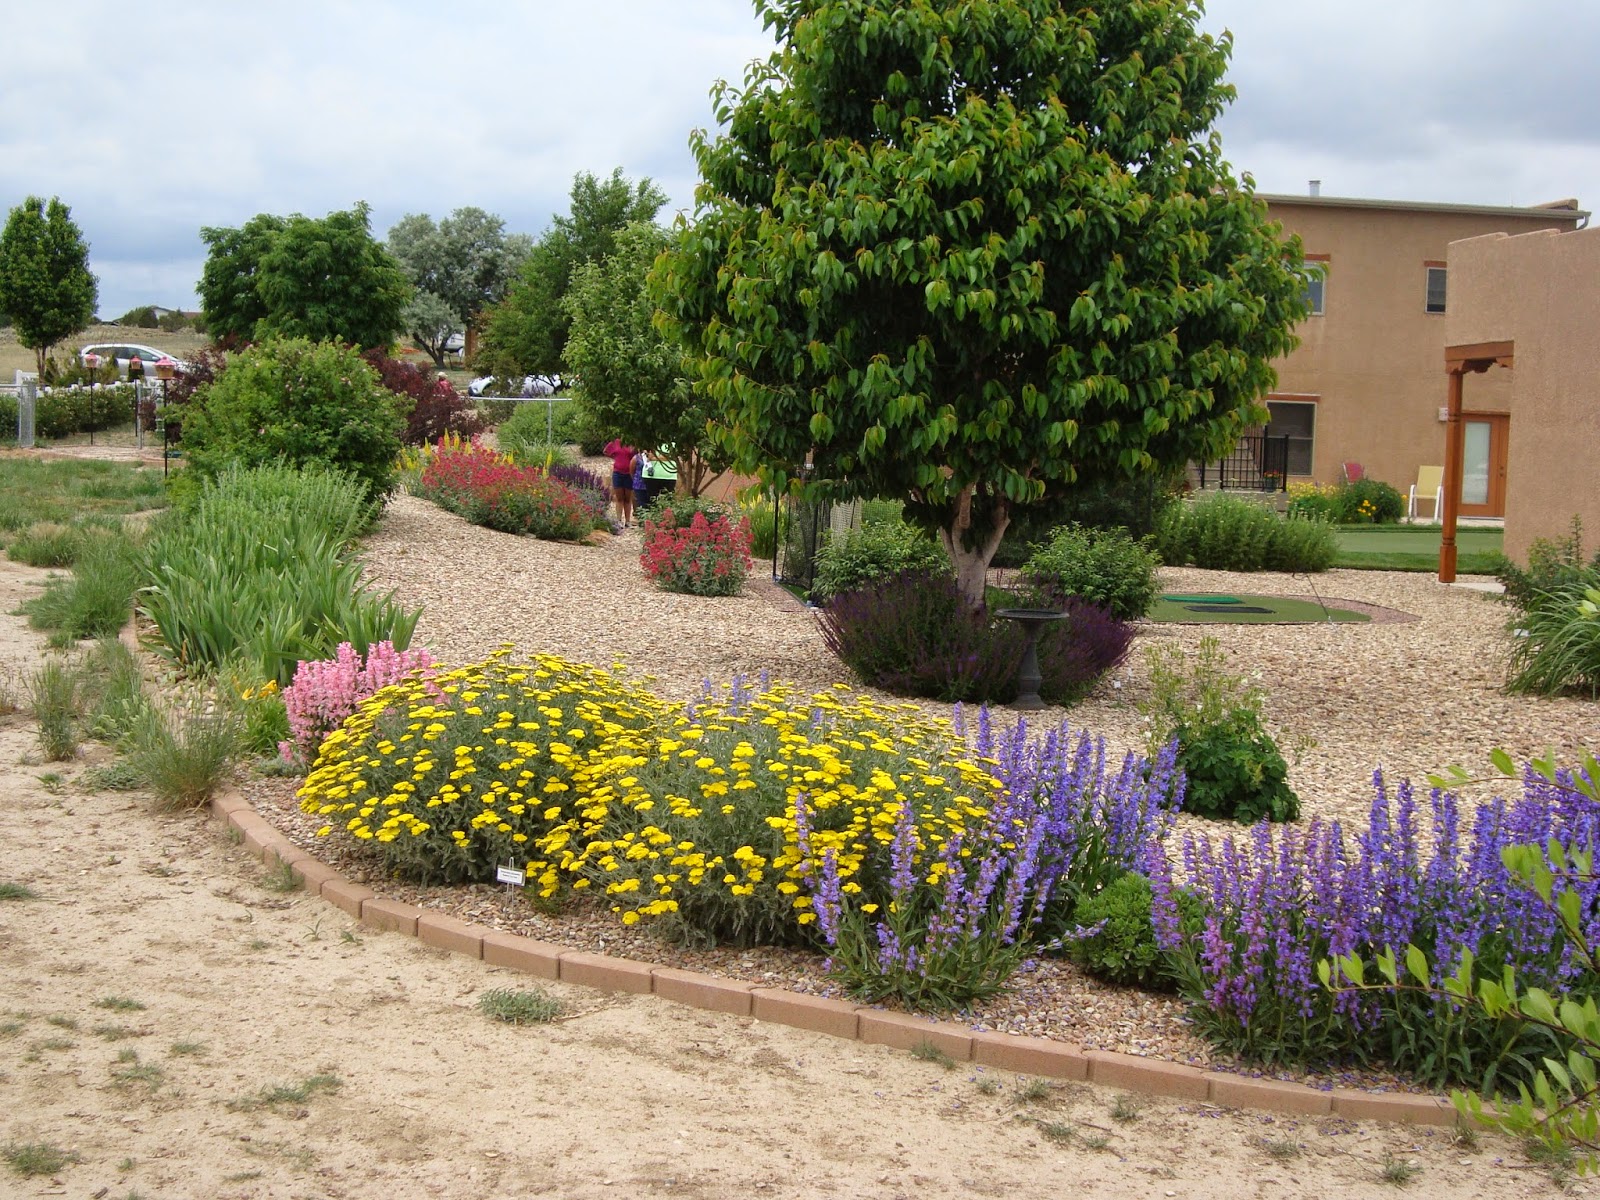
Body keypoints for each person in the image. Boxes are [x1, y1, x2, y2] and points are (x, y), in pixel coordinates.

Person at [603, 437, 638, 527]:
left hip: (629, 473)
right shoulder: (616, 442)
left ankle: (628, 521)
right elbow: (606, 451)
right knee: (619, 498)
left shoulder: (632, 443)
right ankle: (618, 520)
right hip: (617, 472)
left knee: (628, 498)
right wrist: (615, 458)